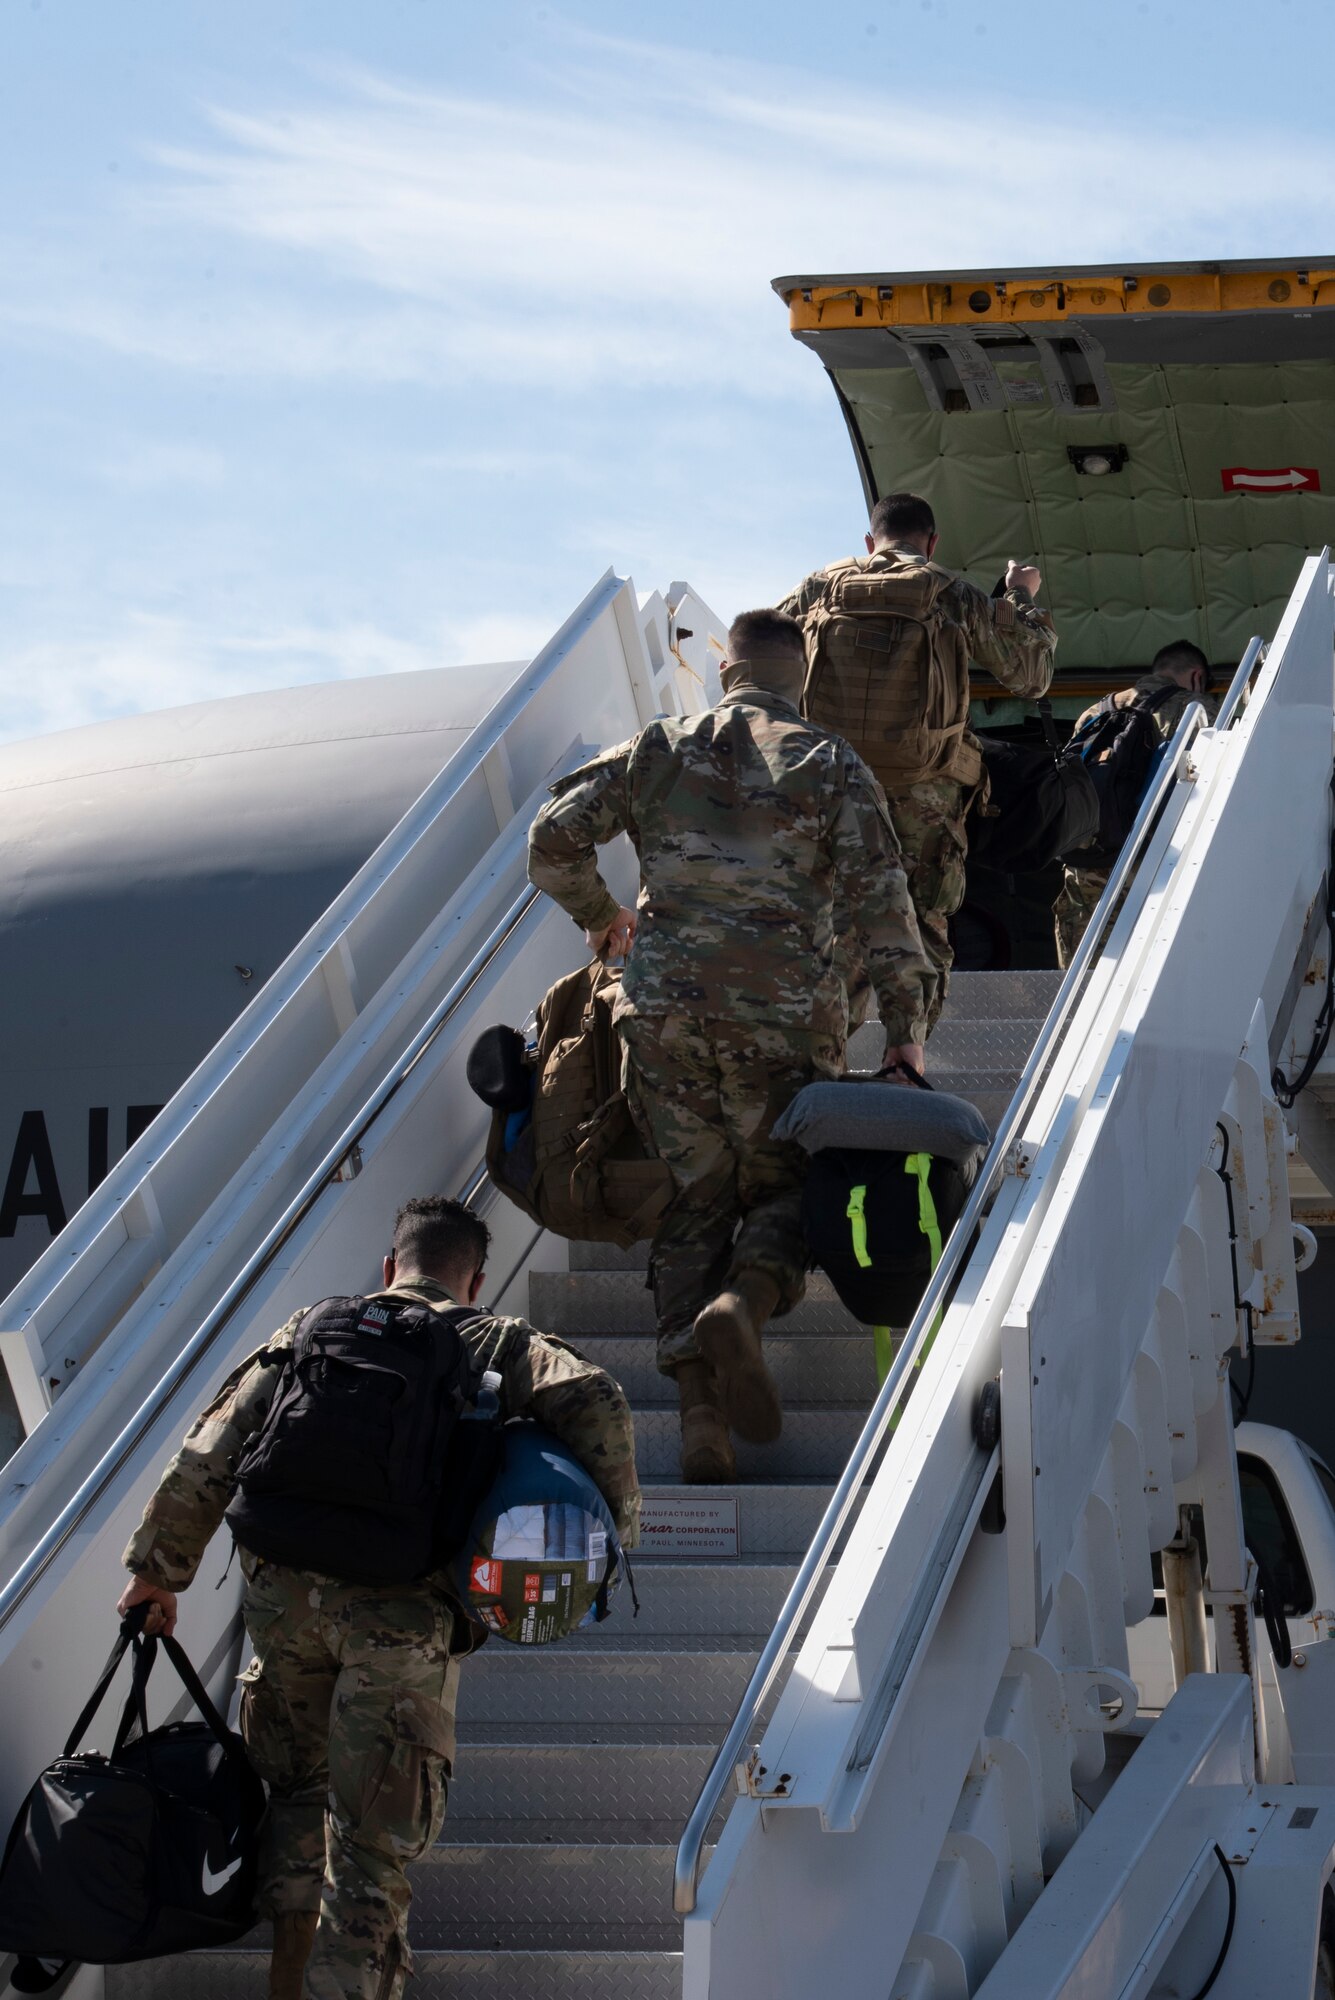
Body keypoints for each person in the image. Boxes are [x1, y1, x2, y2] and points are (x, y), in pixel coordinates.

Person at [116, 1195, 639, 2000]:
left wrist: (158, 1573)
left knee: (297, 1795)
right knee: (369, 1847)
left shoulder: (313, 1328)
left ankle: (290, 1978)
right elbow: (598, 1401)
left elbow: (211, 1446)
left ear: (389, 1267)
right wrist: (612, 1544)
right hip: (401, 1616)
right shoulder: (493, 1339)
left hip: (282, 1601)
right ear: (475, 1279)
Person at [527, 607, 935, 1485]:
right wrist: (905, 1037)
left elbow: (550, 840)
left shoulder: (656, 748)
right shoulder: (829, 763)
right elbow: (884, 910)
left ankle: (700, 1420)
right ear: (801, 679)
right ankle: (744, 1302)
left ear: (727, 673)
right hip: (784, 1021)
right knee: (787, 1186)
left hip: (663, 1016)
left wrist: (605, 921)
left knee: (693, 1198)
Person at [779, 491, 1057, 1031]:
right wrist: (1021, 597)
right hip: (923, 796)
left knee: (833, 919)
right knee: (920, 923)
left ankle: (823, 1051)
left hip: (831, 787)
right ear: (931, 543)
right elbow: (1031, 676)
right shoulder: (948, 591)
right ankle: (907, 1055)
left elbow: (759, 665)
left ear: (869, 540)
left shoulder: (816, 589)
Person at [1053, 641, 1216, 967]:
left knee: (1084, 975)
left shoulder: (1095, 712)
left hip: (1085, 860)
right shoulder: (1196, 708)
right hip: (1150, 863)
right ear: (1197, 676)